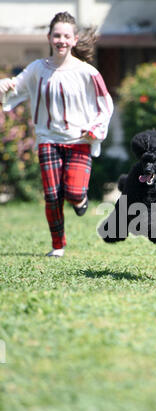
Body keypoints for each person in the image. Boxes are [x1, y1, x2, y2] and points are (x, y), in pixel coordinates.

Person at [0, 11, 113, 257]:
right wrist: (5, 85)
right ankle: (58, 245)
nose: (61, 40)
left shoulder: (88, 73)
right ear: (49, 37)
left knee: (72, 193)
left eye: (66, 36)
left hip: (80, 140)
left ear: (74, 40)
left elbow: (106, 104)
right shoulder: (37, 68)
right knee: (52, 196)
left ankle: (80, 200)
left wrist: (96, 129)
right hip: (47, 139)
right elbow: (15, 87)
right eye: (57, 35)